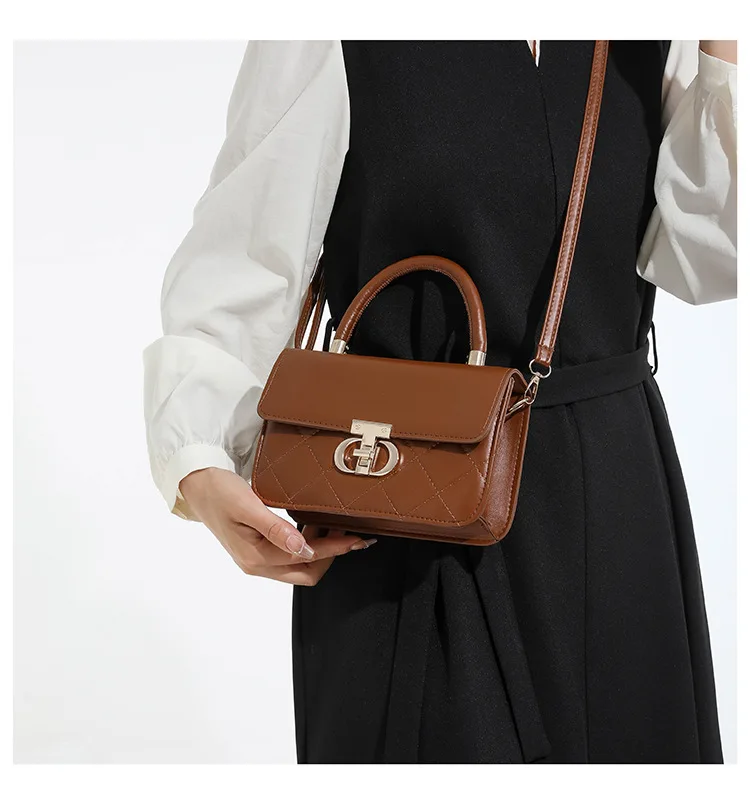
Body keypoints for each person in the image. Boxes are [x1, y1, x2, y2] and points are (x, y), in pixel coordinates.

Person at [142, 41, 737, 763]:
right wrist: (198, 459)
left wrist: (722, 45)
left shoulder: (664, 37)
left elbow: (711, 260)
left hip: (617, 508)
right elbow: (245, 261)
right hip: (405, 497)